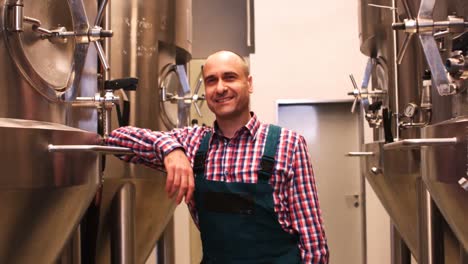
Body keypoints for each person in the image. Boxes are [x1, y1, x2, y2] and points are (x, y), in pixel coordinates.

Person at [106, 50, 329, 263]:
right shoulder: (192, 143)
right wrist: (170, 150)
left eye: (229, 78)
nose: (220, 88)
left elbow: (313, 243)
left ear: (249, 84)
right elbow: (115, 139)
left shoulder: (288, 144)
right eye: (212, 81)